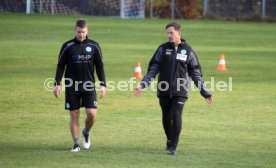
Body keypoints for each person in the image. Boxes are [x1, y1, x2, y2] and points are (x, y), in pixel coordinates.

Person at [134, 22, 212, 155]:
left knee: (176, 116)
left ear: (179, 33)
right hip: (163, 89)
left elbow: (195, 73)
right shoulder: (162, 49)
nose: (169, 35)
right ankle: (169, 139)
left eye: (171, 33)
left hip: (180, 90)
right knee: (166, 117)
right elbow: (153, 69)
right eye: (168, 33)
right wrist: (143, 84)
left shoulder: (188, 50)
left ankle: (173, 146)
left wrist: (205, 92)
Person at [53, 19, 106, 152]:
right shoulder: (68, 46)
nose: (81, 35)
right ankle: (76, 143)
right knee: (74, 114)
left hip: (89, 85)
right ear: (74, 31)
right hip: (72, 85)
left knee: (92, 114)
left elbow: (99, 66)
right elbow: (60, 66)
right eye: (78, 32)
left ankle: (86, 131)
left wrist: (103, 84)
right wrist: (57, 83)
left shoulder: (94, 46)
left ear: (87, 31)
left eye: (83, 32)